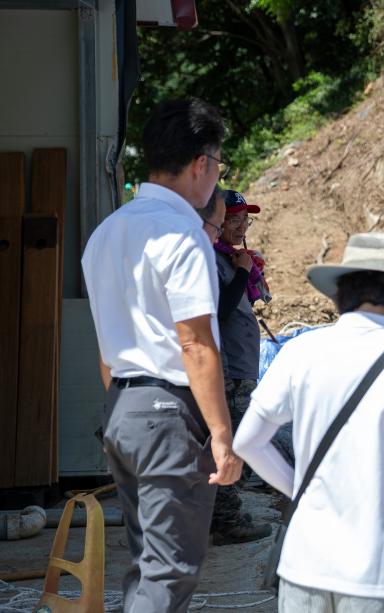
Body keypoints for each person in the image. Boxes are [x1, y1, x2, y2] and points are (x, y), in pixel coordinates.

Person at [234, 232, 384, 612]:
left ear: (341, 290)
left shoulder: (300, 352)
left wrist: (300, 490)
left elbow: (247, 442)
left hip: (306, 564)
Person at [81, 98, 243, 611]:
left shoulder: (106, 233)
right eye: (218, 165)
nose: (216, 177)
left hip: (122, 407)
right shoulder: (183, 233)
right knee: (169, 574)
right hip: (167, 414)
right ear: (201, 164)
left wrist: (124, 406)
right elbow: (194, 342)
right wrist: (222, 435)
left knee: (147, 566)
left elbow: (106, 343)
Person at [209, 189, 272, 545]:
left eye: (245, 220)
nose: (241, 226)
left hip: (241, 367)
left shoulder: (231, 259)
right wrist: (242, 272)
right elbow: (220, 310)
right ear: (217, 222)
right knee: (233, 444)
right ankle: (226, 521)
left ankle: (223, 515)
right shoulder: (213, 259)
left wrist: (247, 272)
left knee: (238, 442)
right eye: (233, 219)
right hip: (230, 369)